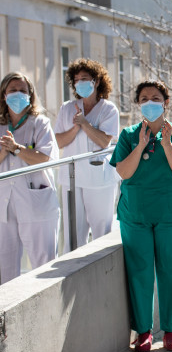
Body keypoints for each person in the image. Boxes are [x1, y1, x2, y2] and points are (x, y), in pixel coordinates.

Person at [110, 80, 172, 352]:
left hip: (170, 213)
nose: (150, 102)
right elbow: (124, 172)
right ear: (138, 104)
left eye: (156, 97)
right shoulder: (128, 135)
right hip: (136, 214)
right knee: (140, 272)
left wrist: (167, 144)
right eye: (144, 98)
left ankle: (171, 331)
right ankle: (144, 332)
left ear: (166, 102)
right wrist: (140, 145)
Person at [0, 72, 60, 284]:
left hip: (37, 203)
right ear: (3, 95)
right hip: (4, 206)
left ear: (30, 95)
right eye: (13, 90)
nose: (18, 95)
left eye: (22, 91)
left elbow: (45, 158)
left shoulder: (40, 123)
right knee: (4, 271)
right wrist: (5, 151)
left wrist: (16, 149)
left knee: (43, 265)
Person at [55, 58, 119, 251]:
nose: (79, 83)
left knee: (101, 233)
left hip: (99, 178)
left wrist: (84, 123)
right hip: (71, 178)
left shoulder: (108, 109)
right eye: (76, 79)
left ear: (96, 81)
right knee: (73, 236)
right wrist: (76, 127)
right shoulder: (67, 108)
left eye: (84, 78)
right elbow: (60, 141)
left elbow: (104, 141)